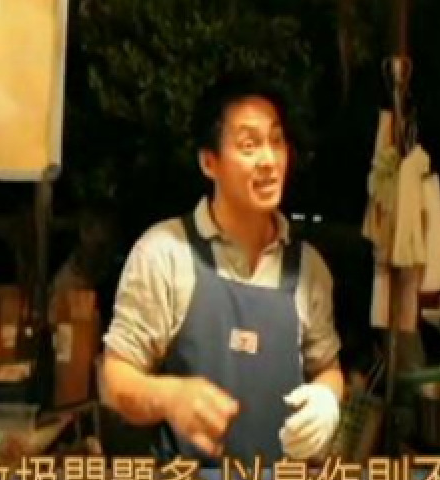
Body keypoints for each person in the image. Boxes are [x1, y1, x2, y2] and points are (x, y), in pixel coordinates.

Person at [99, 74, 344, 465]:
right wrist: (170, 397)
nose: (269, 160)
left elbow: (326, 367)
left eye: (276, 141)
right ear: (208, 162)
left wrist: (327, 397)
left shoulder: (308, 268)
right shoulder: (165, 253)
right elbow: (116, 379)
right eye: (249, 145)